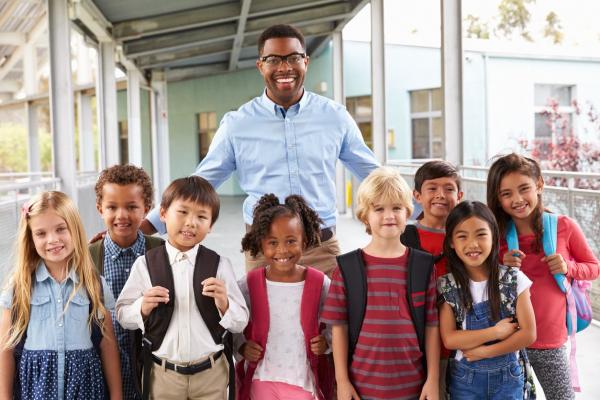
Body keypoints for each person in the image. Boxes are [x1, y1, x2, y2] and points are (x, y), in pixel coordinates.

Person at [138, 24, 379, 276]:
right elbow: (200, 182)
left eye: (294, 58)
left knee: (328, 317)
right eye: (273, 59)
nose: (285, 67)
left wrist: (419, 211)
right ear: (260, 65)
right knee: (264, 317)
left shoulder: (335, 117)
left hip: (320, 248)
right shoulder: (237, 123)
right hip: (264, 249)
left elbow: (374, 175)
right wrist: (144, 226)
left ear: (306, 62)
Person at [116, 176, 249, 400]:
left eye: (201, 216)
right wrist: (142, 307)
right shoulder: (145, 264)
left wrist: (225, 304)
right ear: (163, 214)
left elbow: (241, 321)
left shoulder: (219, 265)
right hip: (163, 375)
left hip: (211, 373)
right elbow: (122, 314)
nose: (191, 223)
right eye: (183, 212)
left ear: (210, 226)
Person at [487, 153, 600, 400]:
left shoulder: (564, 226)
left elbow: (593, 267)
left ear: (539, 184)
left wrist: (569, 267)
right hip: (508, 341)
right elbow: (479, 276)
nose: (517, 199)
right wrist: (498, 265)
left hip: (550, 341)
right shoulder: (493, 233)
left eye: (524, 188)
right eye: (506, 194)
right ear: (497, 198)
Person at [322, 167, 440, 400]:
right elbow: (339, 328)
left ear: (408, 213)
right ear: (365, 216)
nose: (389, 216)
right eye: (379, 209)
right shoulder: (347, 268)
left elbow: (432, 326)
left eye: (396, 208)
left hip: (413, 387)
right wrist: (342, 381)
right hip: (361, 388)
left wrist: (433, 380)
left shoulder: (423, 266)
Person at [0, 191, 122, 399]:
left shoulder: (94, 284)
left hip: (85, 388)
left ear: (74, 229)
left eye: (60, 229)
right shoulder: (19, 287)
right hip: (36, 390)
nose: (52, 240)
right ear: (30, 238)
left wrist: (117, 394)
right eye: (41, 233)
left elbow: (107, 343)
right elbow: (5, 348)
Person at [235, 193, 332, 400]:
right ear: (261, 244)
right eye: (272, 242)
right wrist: (241, 346)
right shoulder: (248, 284)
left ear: (304, 241)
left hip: (303, 380)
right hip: (262, 379)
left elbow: (337, 322)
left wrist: (327, 343)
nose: (282, 250)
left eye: (290, 241)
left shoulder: (319, 283)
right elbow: (232, 322)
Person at [437, 201, 537, 399]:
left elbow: (529, 334)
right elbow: (450, 338)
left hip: (509, 379)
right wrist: (496, 331)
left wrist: (485, 352)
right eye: (462, 236)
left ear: (493, 236)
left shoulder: (514, 279)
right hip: (465, 379)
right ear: (451, 242)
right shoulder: (447, 285)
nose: (472, 244)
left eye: (481, 234)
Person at [90, 164, 164, 399]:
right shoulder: (88, 258)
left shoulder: (163, 253)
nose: (122, 215)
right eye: (112, 207)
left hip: (154, 372)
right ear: (100, 208)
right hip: (106, 371)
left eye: (132, 207)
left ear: (147, 209)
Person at [400, 160, 463, 397]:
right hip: (418, 344)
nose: (441, 195)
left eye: (449, 189)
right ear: (416, 195)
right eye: (432, 188)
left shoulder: (466, 237)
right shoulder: (404, 237)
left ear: (460, 195)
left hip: (459, 345)